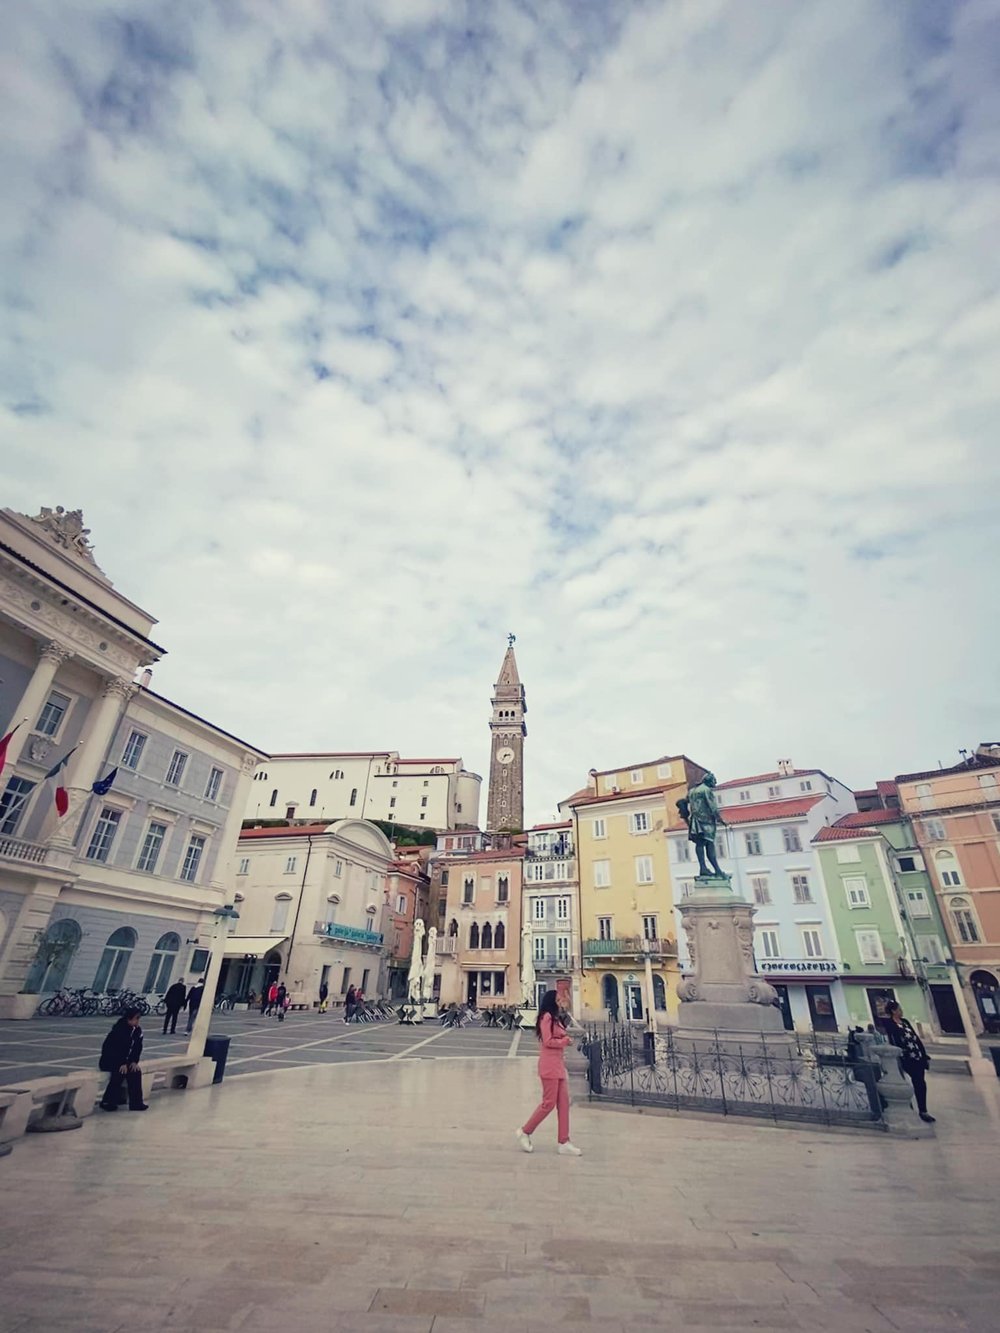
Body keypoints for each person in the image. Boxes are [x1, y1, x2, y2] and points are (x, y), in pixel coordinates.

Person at [516, 989, 582, 1156]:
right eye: (558, 999)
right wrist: (565, 1041)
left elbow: (562, 1029)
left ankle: (564, 1141)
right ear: (551, 1001)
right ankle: (525, 1131)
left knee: (564, 1104)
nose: (560, 1002)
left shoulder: (556, 1019)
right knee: (548, 1103)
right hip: (549, 1065)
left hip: (558, 1065)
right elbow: (547, 1041)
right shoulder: (546, 1017)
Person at [884, 1000, 935, 1123]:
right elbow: (892, 1040)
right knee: (915, 1081)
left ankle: (923, 1109)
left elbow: (916, 1038)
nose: (901, 1011)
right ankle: (915, 1109)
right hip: (906, 1057)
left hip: (917, 1055)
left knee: (920, 1083)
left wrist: (923, 1055)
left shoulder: (905, 1022)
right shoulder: (889, 1024)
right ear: (893, 1011)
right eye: (899, 1009)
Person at [98, 1008, 148, 1112]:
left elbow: (137, 1048)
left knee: (135, 1072)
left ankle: (136, 1103)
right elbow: (113, 1049)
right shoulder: (119, 1030)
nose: (138, 1021)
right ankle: (108, 1101)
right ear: (128, 1019)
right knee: (119, 1073)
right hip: (110, 1060)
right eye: (136, 1018)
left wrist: (134, 1061)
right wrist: (121, 1063)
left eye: (139, 1018)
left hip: (126, 1060)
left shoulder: (137, 1031)